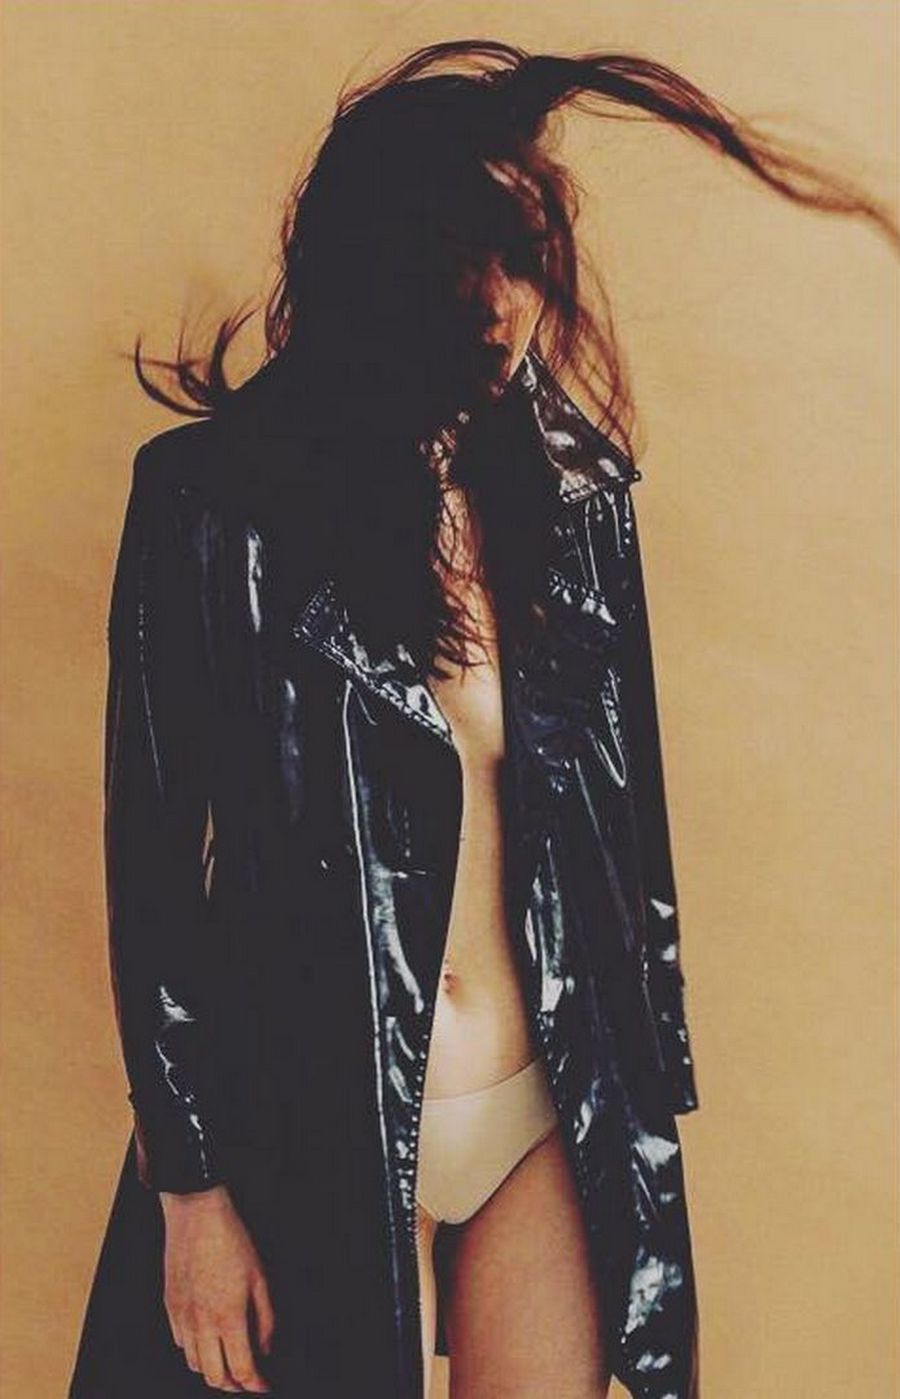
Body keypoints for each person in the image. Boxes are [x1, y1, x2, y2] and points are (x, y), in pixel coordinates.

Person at [69, 39, 897, 1399]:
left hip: (540, 1112)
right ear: (377, 267)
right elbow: (154, 872)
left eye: (525, 257)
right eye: (467, 259)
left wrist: (649, 1100)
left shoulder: (571, 498)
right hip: (314, 1126)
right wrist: (191, 1190)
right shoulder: (212, 507)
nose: (506, 303)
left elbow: (627, 829)